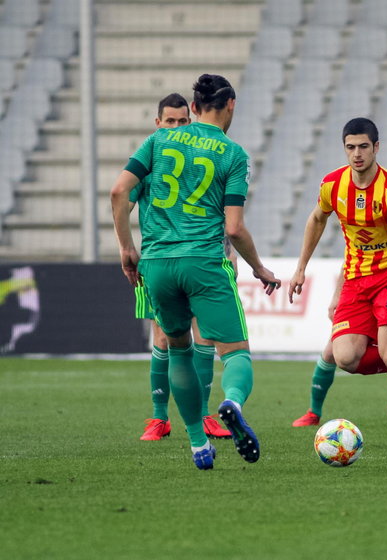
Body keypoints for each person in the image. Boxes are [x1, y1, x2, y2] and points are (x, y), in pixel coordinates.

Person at [111, 74, 281, 470]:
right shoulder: (232, 154)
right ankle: (232, 402)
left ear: (195, 105)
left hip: (156, 264)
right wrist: (258, 267)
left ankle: (197, 444)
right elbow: (234, 228)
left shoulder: (158, 141)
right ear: (231, 105)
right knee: (235, 353)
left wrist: (126, 249)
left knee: (176, 348)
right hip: (203, 261)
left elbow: (119, 192)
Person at [288, 118, 387, 450]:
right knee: (344, 357)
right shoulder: (333, 184)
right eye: (350, 147)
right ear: (344, 148)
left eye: (364, 146)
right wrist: (301, 267)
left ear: (376, 147)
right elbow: (317, 218)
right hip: (354, 279)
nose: (357, 154)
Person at [131, 93, 231, 442]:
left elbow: (223, 211)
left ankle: (203, 414)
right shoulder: (152, 158)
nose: (176, 127)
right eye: (169, 121)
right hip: (160, 258)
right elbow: (123, 195)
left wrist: (227, 253)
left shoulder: (201, 157)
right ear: (158, 124)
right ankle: (159, 417)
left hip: (201, 257)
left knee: (204, 335)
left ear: (192, 121)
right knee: (163, 337)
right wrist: (128, 248)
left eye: (182, 121)